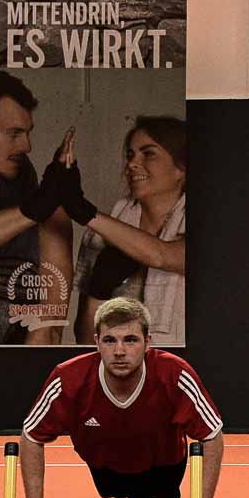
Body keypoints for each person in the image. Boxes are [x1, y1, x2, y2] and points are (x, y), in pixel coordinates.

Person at [15, 297, 223, 498]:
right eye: (110, 340)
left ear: (147, 343)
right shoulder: (68, 378)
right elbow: (31, 435)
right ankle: (138, 493)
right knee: (127, 494)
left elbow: (212, 433)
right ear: (97, 343)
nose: (119, 351)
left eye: (131, 340)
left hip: (164, 465)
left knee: (163, 497)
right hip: (107, 470)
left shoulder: (175, 373)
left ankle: (156, 493)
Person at [61, 116, 189, 346]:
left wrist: (83, 210)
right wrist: (98, 290)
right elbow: (85, 341)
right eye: (130, 155)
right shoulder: (101, 234)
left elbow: (163, 255)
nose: (131, 164)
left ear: (181, 168)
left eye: (148, 154)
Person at [0, 70, 75, 345]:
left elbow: (51, 321)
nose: (28, 146)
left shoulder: (28, 183)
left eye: (28, 133)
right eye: (14, 134)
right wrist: (33, 208)